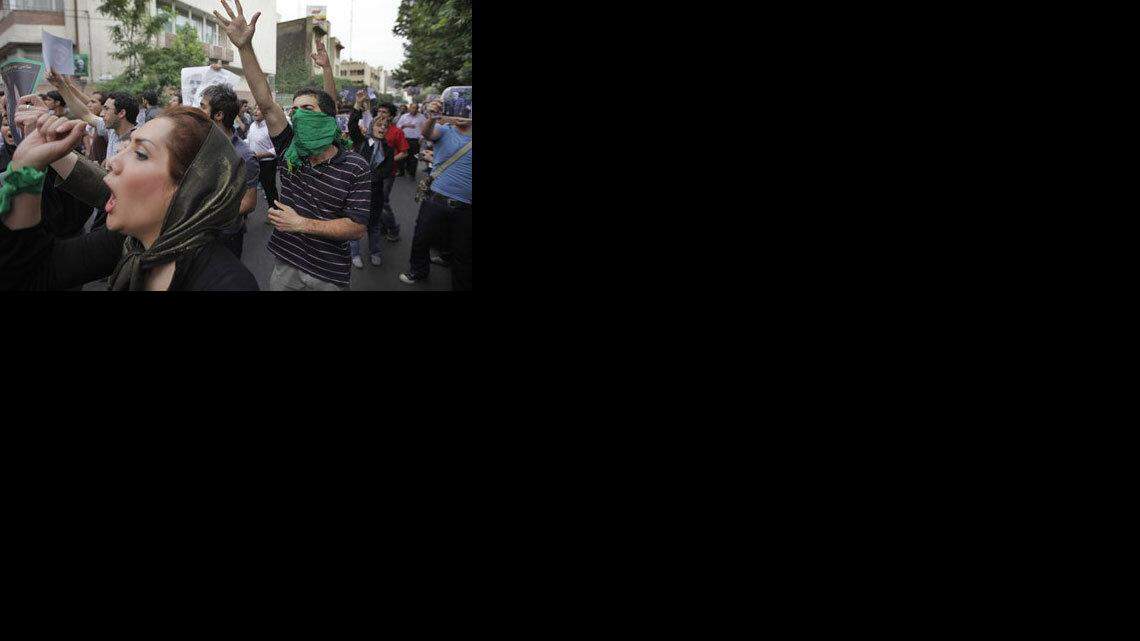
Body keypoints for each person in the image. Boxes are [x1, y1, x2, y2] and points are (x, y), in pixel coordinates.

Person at [0, 106, 258, 290]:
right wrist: (27, 167)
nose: (111, 162)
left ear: (190, 189)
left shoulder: (226, 283)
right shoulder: (128, 245)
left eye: (141, 154)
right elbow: (32, 274)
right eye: (126, 147)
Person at [215, 0, 370, 291]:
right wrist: (244, 48)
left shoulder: (355, 166)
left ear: (327, 118)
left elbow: (357, 227)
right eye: (294, 110)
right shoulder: (289, 147)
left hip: (330, 275)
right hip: (285, 269)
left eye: (307, 109)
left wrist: (302, 223)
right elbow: (265, 101)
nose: (298, 115)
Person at [399, 98, 472, 290]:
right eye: (457, 110)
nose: (461, 115)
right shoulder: (445, 130)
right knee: (422, 238)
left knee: (463, 252)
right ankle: (418, 271)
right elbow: (426, 132)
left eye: (466, 111)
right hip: (435, 200)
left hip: (466, 207)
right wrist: (432, 116)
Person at [200, 83, 260, 259]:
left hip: (226, 238)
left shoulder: (245, 156)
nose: (198, 111)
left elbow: (249, 203)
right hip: (198, 235)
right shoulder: (200, 145)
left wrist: (208, 216)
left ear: (218, 115)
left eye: (203, 107)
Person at [347, 94, 407, 267]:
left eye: (385, 126)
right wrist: (358, 104)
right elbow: (352, 125)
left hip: (376, 193)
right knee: (356, 223)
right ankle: (354, 253)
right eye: (379, 124)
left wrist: (369, 176)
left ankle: (375, 252)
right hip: (357, 194)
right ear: (372, 126)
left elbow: (387, 171)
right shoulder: (362, 143)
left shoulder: (388, 149)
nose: (382, 128)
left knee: (373, 226)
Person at [245, 105, 277, 213]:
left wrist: (260, 155)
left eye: (259, 109)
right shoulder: (253, 125)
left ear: (266, 112)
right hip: (253, 162)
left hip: (267, 164)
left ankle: (274, 213)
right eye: (255, 109)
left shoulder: (271, 127)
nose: (255, 112)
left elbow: (276, 149)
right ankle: (243, 214)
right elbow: (248, 142)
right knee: (247, 188)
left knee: (269, 189)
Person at [396, 102, 427, 179]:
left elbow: (425, 129)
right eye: (412, 108)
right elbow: (398, 127)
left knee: (413, 158)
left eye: (416, 108)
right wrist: (404, 125)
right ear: (409, 108)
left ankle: (411, 173)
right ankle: (401, 171)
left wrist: (422, 137)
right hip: (404, 139)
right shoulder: (404, 116)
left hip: (415, 140)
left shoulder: (422, 117)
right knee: (402, 156)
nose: (414, 110)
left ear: (418, 109)